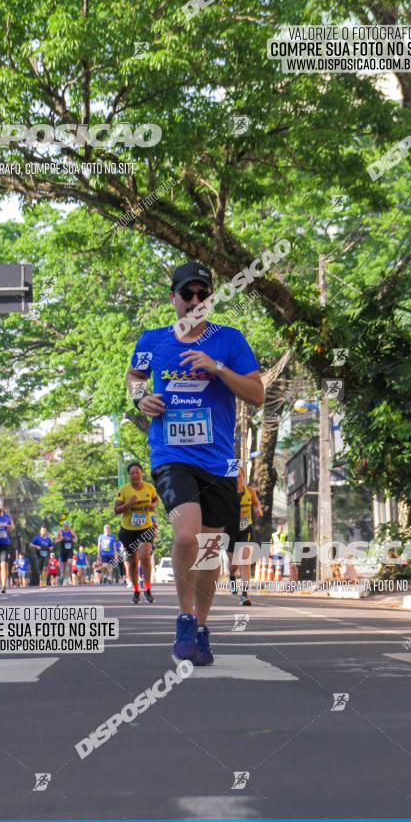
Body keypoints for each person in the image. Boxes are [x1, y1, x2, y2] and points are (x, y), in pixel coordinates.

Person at [126, 261, 264, 664]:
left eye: (203, 294)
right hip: (172, 455)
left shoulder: (229, 340)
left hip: (219, 461)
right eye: (187, 294)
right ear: (173, 298)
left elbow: (256, 394)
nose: (195, 301)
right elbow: (136, 376)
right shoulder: (152, 340)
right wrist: (140, 399)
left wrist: (217, 368)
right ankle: (184, 618)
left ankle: (202, 627)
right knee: (186, 536)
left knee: (208, 549)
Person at [114, 461, 159, 604]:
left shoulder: (149, 487)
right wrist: (129, 504)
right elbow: (116, 510)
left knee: (145, 556)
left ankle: (148, 589)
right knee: (133, 561)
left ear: (141, 473)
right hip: (128, 530)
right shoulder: (124, 490)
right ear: (129, 475)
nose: (135, 475)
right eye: (132, 473)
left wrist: (153, 505)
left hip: (145, 528)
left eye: (137, 472)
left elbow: (156, 499)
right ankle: (135, 591)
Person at [226, 467, 263, 606]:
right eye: (234, 476)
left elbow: (256, 502)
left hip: (245, 530)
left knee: (245, 562)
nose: (237, 478)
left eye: (239, 476)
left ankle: (244, 595)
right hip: (229, 531)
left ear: (243, 476)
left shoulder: (250, 491)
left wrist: (257, 509)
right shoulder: (226, 493)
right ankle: (231, 576)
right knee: (233, 565)